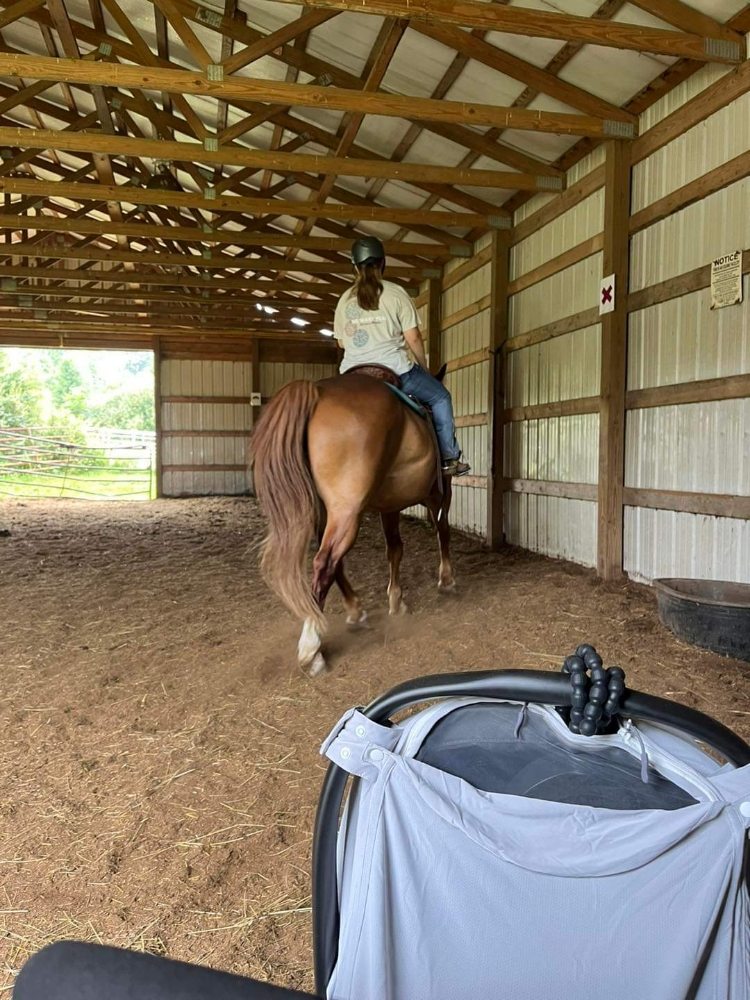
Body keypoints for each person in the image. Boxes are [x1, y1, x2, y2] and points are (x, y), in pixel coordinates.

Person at [334, 236, 470, 477]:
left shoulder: (344, 300)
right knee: (440, 397)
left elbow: (341, 342)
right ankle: (449, 458)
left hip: (352, 374)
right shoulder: (395, 294)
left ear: (354, 267)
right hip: (395, 369)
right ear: (383, 263)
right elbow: (414, 338)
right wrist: (425, 369)